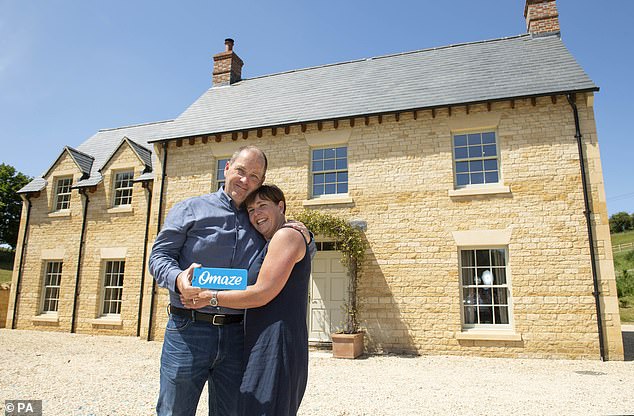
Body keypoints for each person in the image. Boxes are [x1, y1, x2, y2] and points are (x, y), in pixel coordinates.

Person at [148, 145, 268, 416]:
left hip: (238, 335)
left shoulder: (260, 220)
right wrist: (178, 278)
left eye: (254, 176)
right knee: (174, 411)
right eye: (240, 171)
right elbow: (159, 257)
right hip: (188, 330)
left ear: (261, 182)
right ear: (226, 168)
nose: (245, 180)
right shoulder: (190, 209)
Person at [181, 184, 311, 416]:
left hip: (276, 342)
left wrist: (209, 298)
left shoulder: (286, 235)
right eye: (250, 210)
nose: (256, 214)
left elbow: (261, 293)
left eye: (262, 206)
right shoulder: (276, 239)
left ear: (281, 206)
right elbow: (243, 283)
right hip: (260, 340)